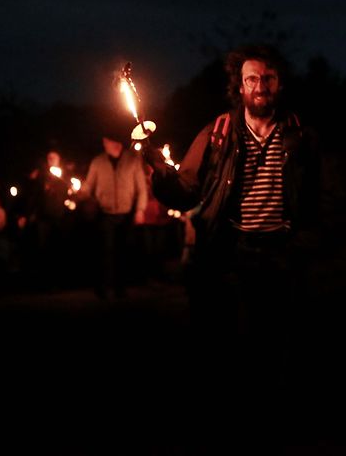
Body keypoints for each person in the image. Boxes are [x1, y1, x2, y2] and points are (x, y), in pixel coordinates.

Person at [142, 42, 323, 339]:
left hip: (283, 251)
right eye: (251, 79)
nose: (260, 86)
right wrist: (161, 173)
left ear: (280, 83)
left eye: (268, 78)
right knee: (230, 335)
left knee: (280, 335)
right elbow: (187, 190)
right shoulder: (219, 133)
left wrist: (306, 240)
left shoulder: (300, 134)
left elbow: (317, 195)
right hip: (232, 251)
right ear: (239, 86)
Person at [81, 126, 149, 299]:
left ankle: (120, 288)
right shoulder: (97, 162)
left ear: (118, 143)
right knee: (105, 251)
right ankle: (102, 287)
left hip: (126, 213)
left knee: (122, 251)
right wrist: (82, 192)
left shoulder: (132, 160)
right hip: (105, 213)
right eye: (106, 141)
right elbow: (89, 185)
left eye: (110, 141)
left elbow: (142, 188)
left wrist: (140, 210)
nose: (107, 144)